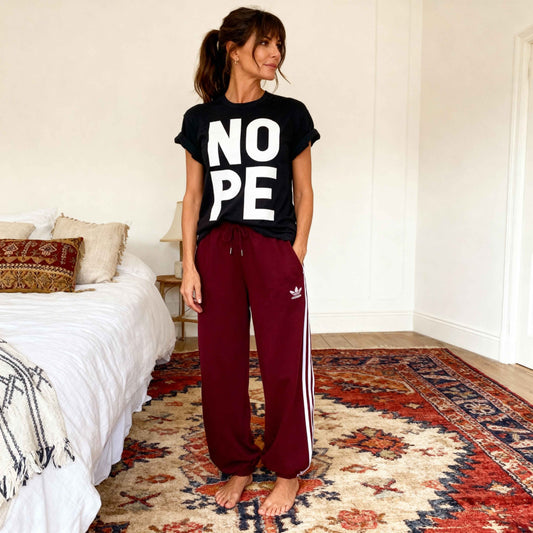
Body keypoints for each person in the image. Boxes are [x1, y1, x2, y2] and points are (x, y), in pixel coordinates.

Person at [175, 6, 320, 517]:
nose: (275, 53)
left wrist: (295, 252)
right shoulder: (199, 119)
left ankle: (288, 471)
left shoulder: (291, 113)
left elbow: (304, 191)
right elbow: (193, 197)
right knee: (221, 365)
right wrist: (190, 265)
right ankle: (237, 465)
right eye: (264, 43)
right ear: (233, 49)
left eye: (279, 44)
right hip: (216, 251)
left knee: (283, 363)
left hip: (272, 248)